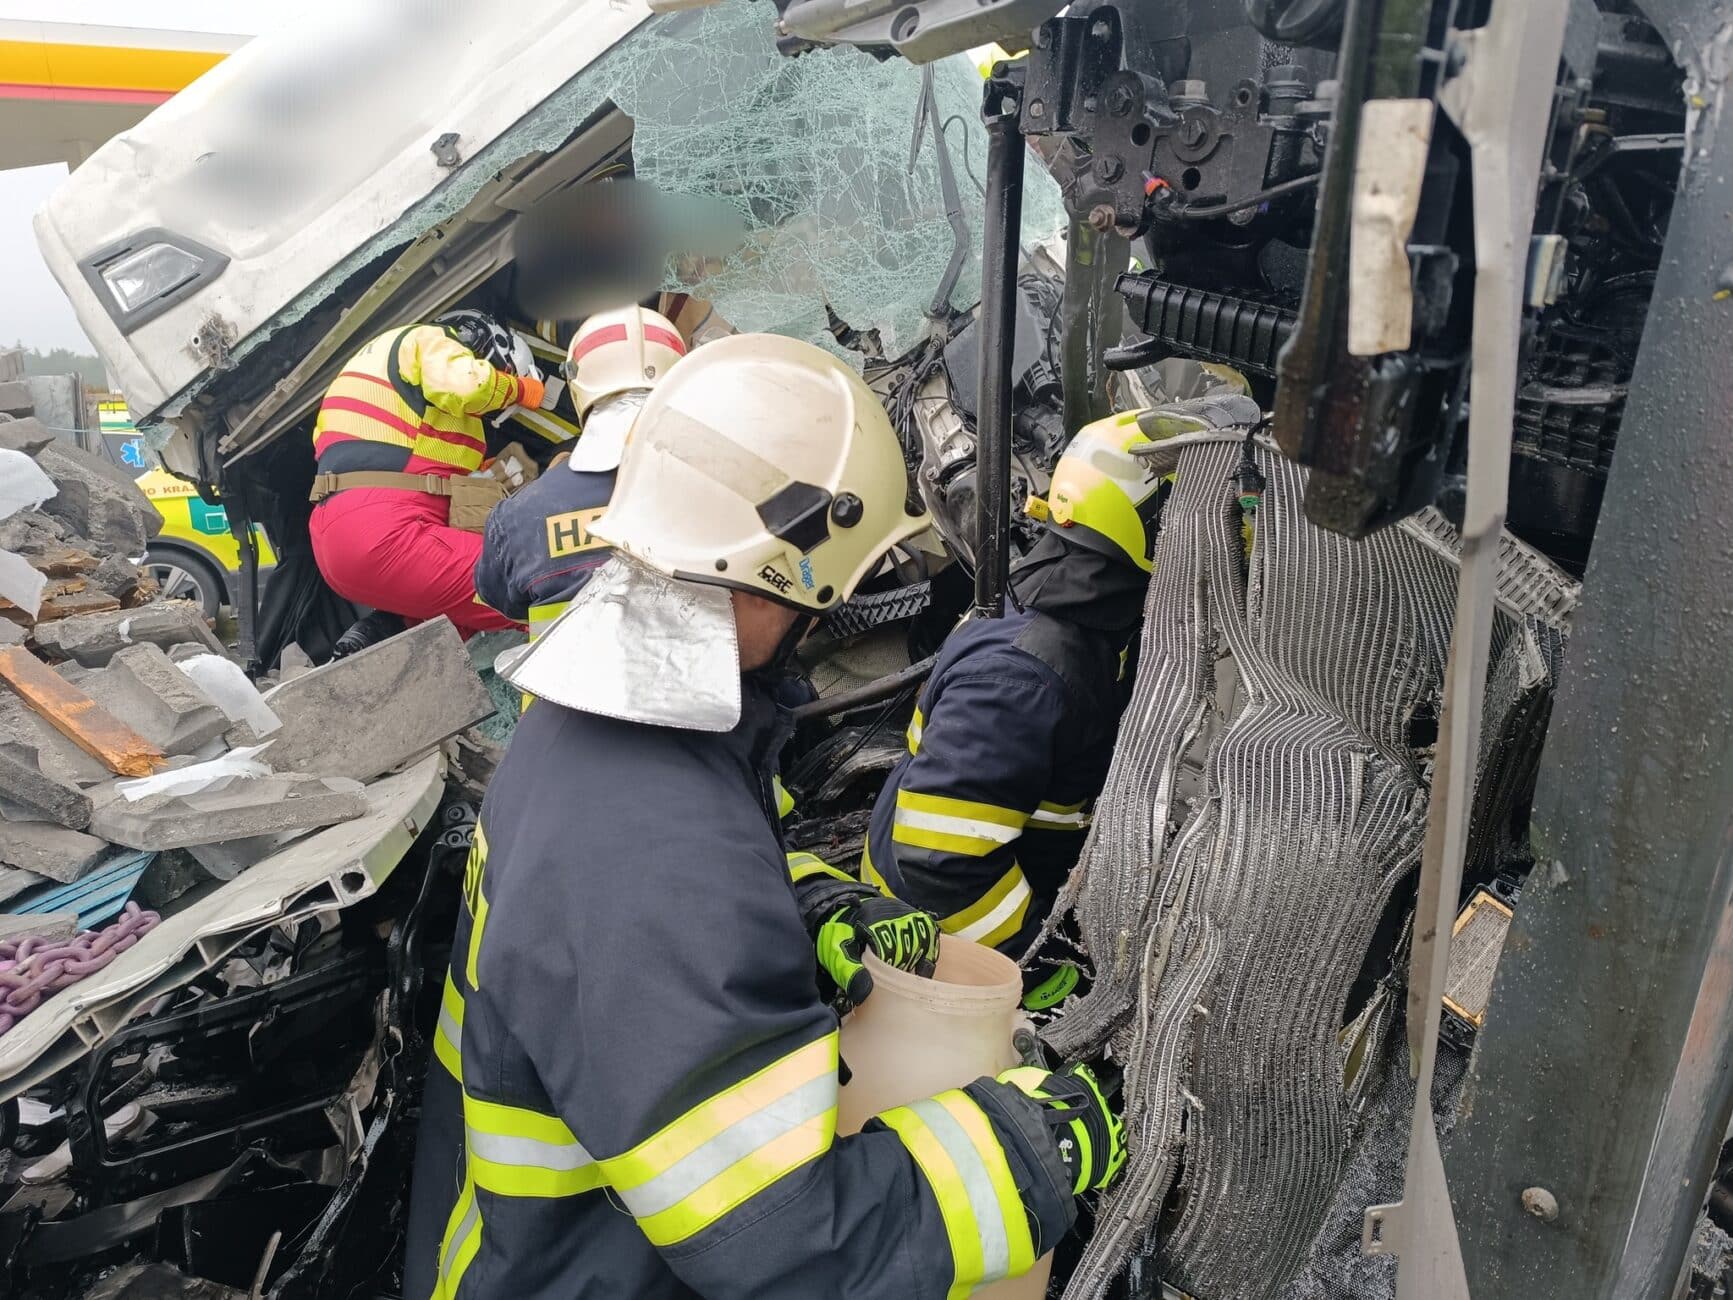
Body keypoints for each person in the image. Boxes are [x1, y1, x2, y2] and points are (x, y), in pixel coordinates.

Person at [406, 333, 1125, 1300]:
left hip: (562, 1245)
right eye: (843, 584)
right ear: (790, 570)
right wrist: (1032, 1148)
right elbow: (789, 1243)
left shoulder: (601, 729)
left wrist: (809, 905)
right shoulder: (653, 852)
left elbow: (683, 903)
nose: (838, 611)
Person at [862, 391, 1262, 1010]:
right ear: (1159, 527)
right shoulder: (1023, 681)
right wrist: (1040, 970)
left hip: (1012, 869)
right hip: (938, 941)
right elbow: (936, 865)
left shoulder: (1074, 606)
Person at [307, 310, 558, 639]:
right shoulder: (427, 340)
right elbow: (470, 386)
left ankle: (386, 632)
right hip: (387, 530)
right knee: (539, 581)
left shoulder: (369, 374)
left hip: (334, 543)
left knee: (462, 619)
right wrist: (521, 389)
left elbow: (393, 455)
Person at [473, 306, 689, 634]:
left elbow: (504, 603)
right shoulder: (731, 480)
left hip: (570, 667)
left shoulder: (515, 518)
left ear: (577, 386)